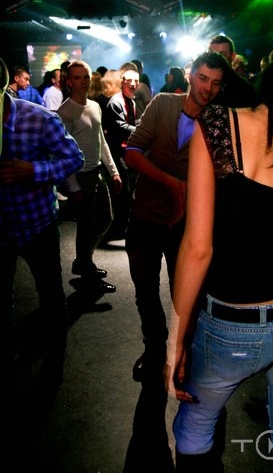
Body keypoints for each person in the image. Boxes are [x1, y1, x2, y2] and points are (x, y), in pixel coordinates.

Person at [165, 44, 273, 473]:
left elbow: (198, 247)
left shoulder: (219, 124)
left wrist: (176, 340)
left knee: (195, 426)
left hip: (232, 323)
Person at [125, 51, 231, 384]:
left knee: (183, 295)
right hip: (144, 216)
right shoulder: (163, 104)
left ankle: (180, 353)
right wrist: (172, 183)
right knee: (145, 292)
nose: (207, 88)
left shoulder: (218, 121)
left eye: (216, 83)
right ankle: (154, 349)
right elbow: (132, 152)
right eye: (203, 78)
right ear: (190, 76)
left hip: (184, 224)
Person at [0, 56, 84, 392]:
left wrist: (33, 171)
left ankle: (54, 365)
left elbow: (74, 158)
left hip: (37, 224)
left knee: (50, 297)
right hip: (2, 227)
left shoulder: (38, 118)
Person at [57, 60, 122, 293]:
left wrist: (113, 171)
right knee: (86, 227)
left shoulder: (94, 106)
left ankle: (83, 261)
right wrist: (73, 187)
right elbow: (62, 153)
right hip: (81, 176)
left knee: (105, 219)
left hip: (96, 173)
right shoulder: (65, 112)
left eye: (85, 76)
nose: (83, 81)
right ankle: (86, 270)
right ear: (69, 81)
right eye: (77, 77)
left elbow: (101, 141)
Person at [101, 68, 140, 243]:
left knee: (128, 190)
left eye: (136, 81)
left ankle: (121, 227)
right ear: (122, 82)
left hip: (126, 151)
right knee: (123, 191)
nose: (133, 84)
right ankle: (117, 228)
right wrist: (141, 129)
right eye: (129, 80)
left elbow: (128, 123)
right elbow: (120, 127)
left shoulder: (131, 101)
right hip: (117, 152)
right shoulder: (115, 102)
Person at [208, 34, 258, 107]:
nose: (216, 59)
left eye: (222, 55)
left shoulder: (244, 89)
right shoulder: (200, 83)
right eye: (212, 55)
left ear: (233, 56)